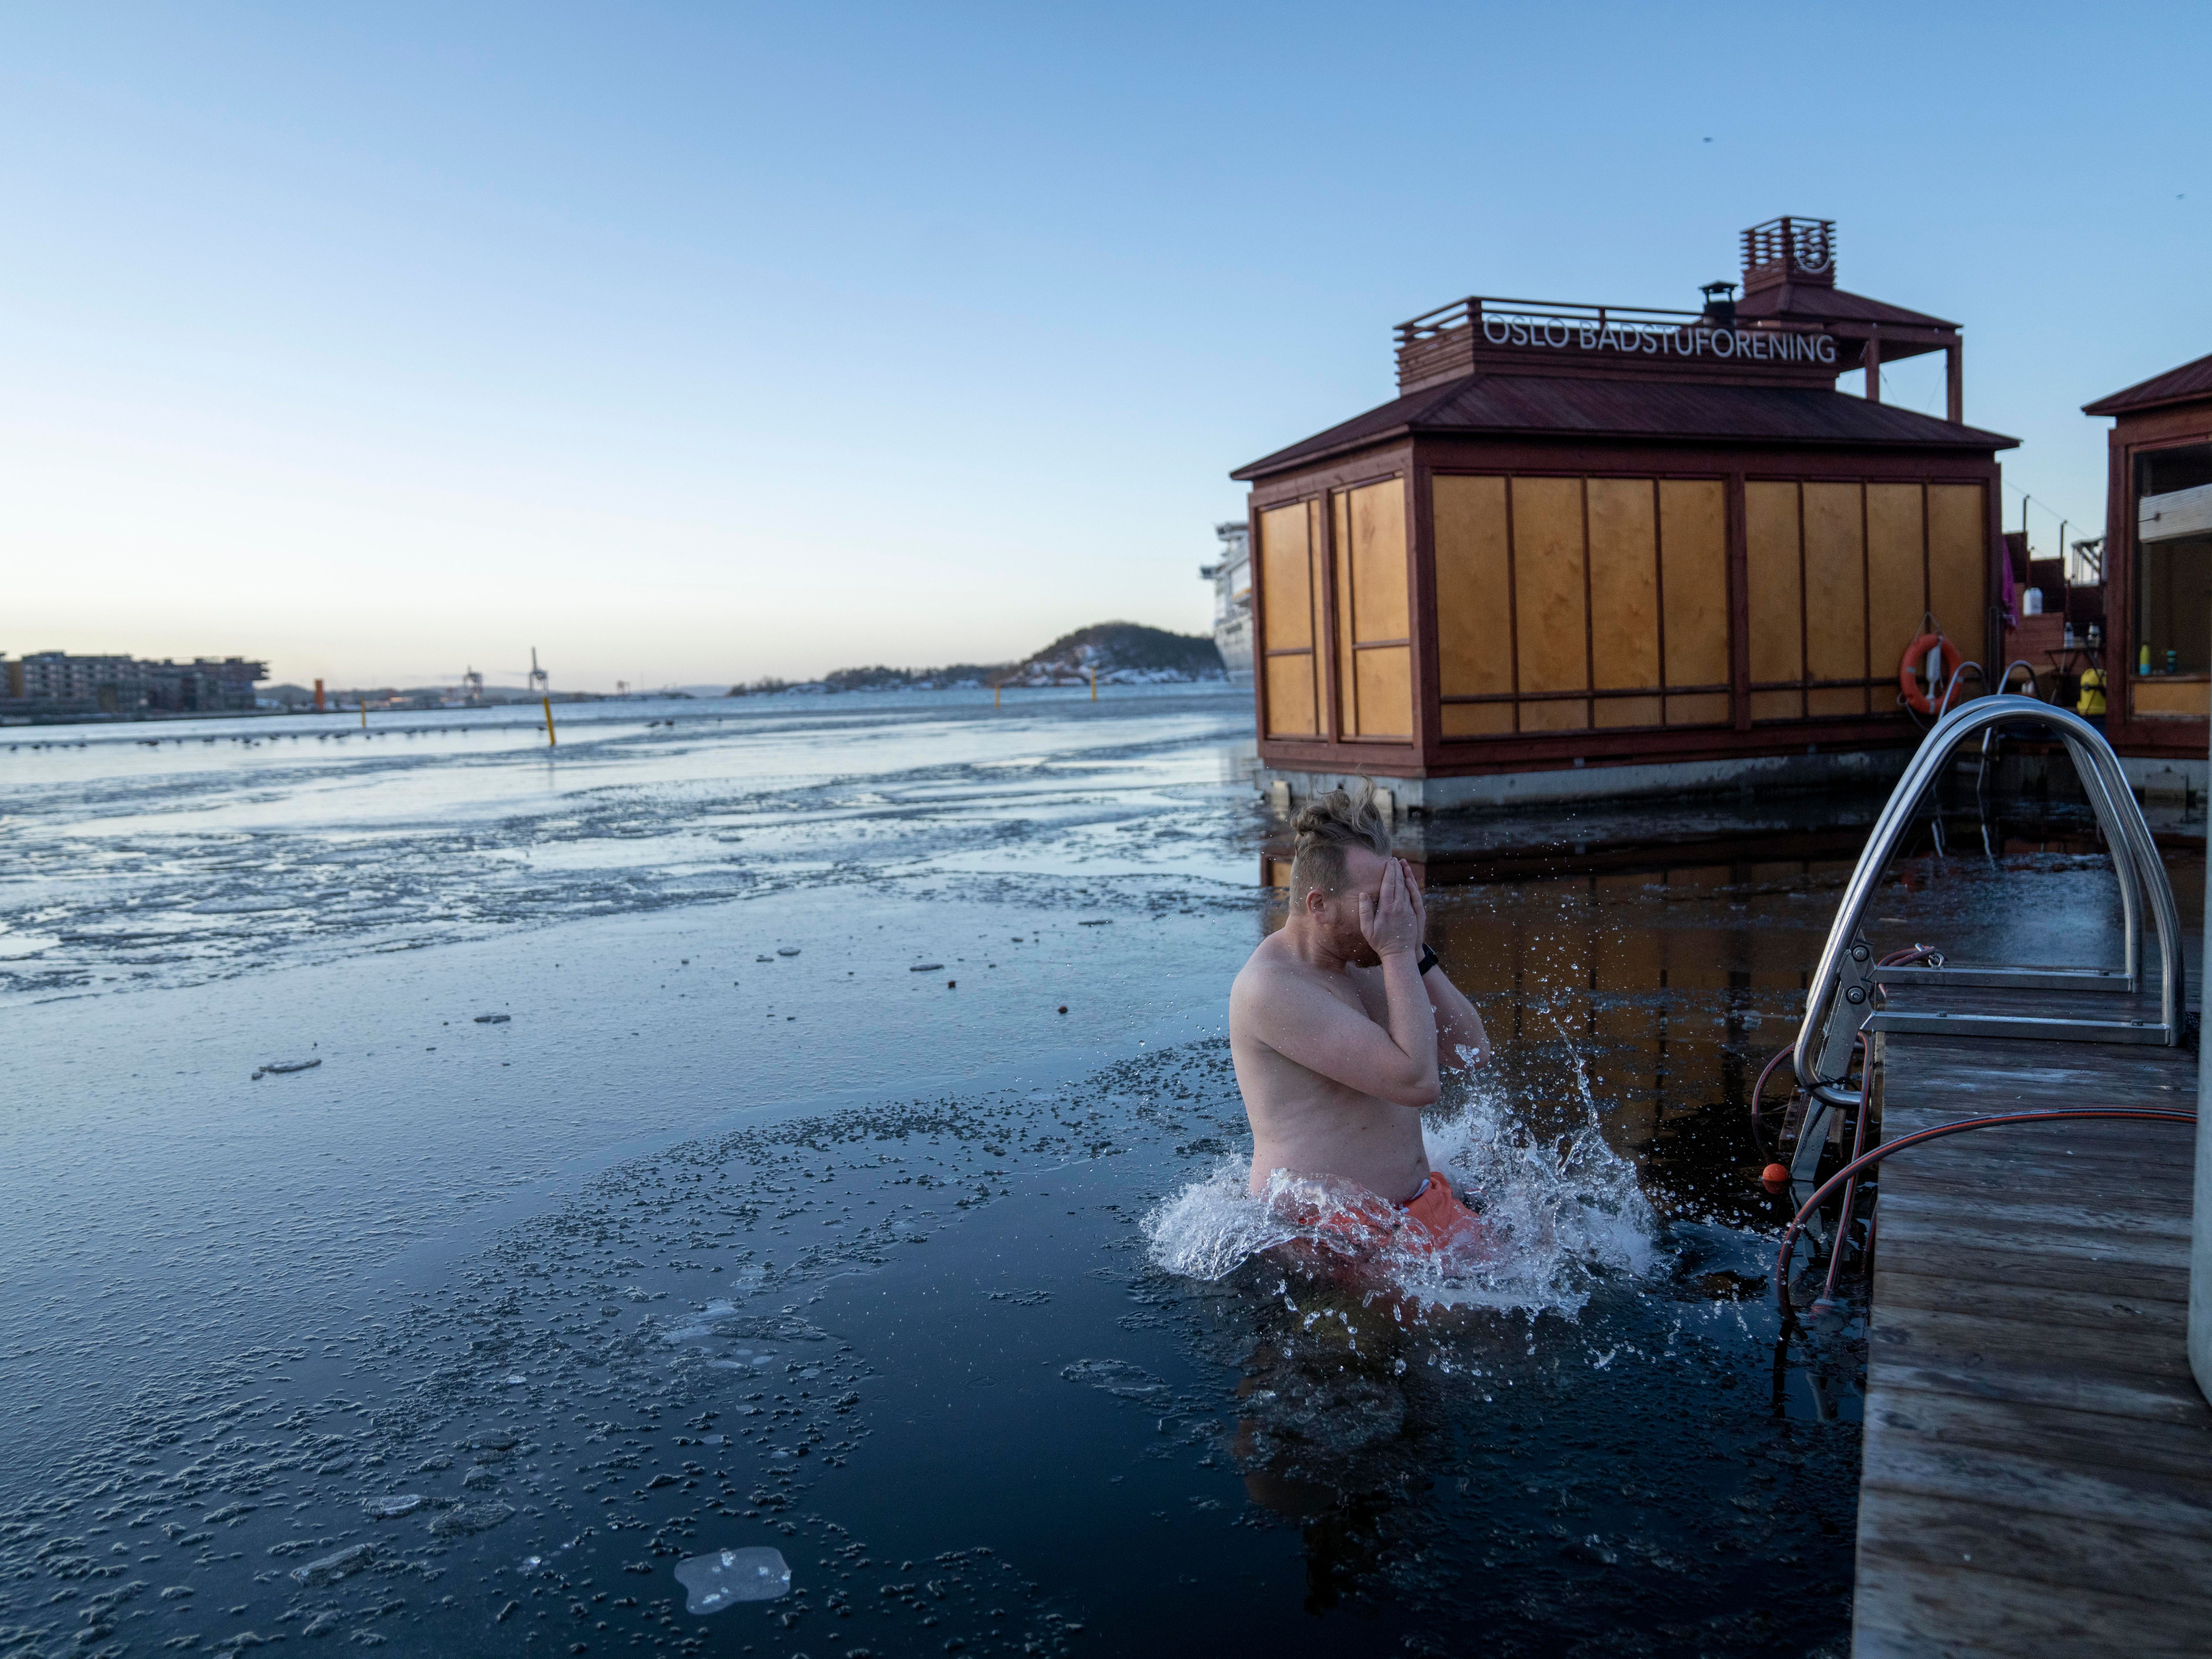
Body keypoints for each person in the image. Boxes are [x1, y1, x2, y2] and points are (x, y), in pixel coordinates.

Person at [1229, 785, 1491, 1254]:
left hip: (1411, 1208)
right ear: (1318, 906)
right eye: (1376, 901)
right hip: (1325, 1233)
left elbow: (1469, 1052)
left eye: (1397, 897)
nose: (1393, 914)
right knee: (1488, 1320)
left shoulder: (1362, 958)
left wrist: (1416, 953)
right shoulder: (1271, 988)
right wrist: (1394, 950)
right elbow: (1418, 1083)